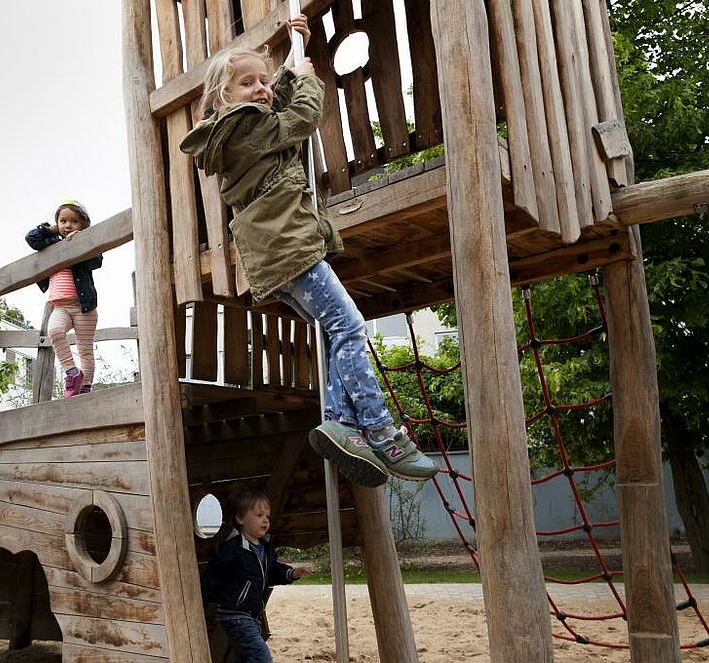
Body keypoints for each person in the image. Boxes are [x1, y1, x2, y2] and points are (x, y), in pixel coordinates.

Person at [180, 15, 437, 486]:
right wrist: (309, 81)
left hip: (276, 251)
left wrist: (292, 47)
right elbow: (299, 119)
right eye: (246, 83)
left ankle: (342, 423)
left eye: (262, 80)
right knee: (349, 325)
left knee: (331, 330)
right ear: (222, 97)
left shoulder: (235, 130)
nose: (259, 88)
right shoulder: (246, 126)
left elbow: (269, 103)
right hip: (287, 246)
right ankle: (378, 429)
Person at [201, 490, 309, 662]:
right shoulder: (233, 549)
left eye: (267, 516)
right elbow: (213, 576)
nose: (265, 520)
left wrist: (292, 573)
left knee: (245, 658)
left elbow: (273, 571)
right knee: (261, 656)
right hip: (234, 615)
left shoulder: (265, 548)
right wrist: (201, 603)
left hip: (253, 615)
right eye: (259, 515)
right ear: (240, 519)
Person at [25, 199, 102, 398]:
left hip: (83, 306)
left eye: (74, 221)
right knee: (55, 331)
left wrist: (82, 240)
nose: (68, 225)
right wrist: (51, 230)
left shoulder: (86, 244)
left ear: (83, 224)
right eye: (63, 220)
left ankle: (85, 388)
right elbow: (31, 238)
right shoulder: (52, 244)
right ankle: (72, 373)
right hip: (60, 306)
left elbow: (97, 261)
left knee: (85, 349)